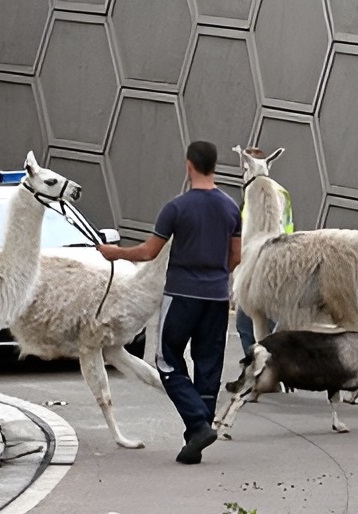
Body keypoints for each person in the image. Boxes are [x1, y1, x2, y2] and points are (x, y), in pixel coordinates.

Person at [98, 141, 241, 465]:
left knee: (168, 360)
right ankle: (197, 435)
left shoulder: (177, 208)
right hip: (217, 298)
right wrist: (215, 276)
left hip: (182, 296)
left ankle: (197, 424)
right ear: (214, 165)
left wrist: (114, 253)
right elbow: (236, 256)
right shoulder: (231, 208)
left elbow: (149, 252)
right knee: (209, 364)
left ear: (189, 165)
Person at [235, 146, 294, 355]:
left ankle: (258, 369)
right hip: (279, 264)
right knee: (271, 323)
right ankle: (274, 369)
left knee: (246, 323)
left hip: (254, 267)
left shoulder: (254, 192)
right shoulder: (281, 192)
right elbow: (287, 228)